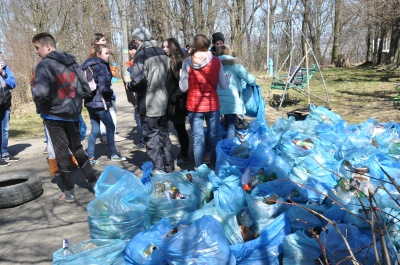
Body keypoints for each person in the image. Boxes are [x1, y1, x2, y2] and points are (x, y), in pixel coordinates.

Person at [31, 32, 97, 202]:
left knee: (61, 152)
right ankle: (93, 182)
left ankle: (69, 192)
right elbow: (86, 90)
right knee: (77, 148)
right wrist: (73, 102)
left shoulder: (44, 66)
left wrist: (41, 106)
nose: (37, 52)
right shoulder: (73, 64)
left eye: (37, 48)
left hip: (53, 115)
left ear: (47, 46)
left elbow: (40, 93)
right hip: (72, 114)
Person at [126, 26, 175, 174]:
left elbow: (139, 80)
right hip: (163, 101)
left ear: (138, 40)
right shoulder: (162, 52)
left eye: (135, 40)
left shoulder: (141, 55)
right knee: (164, 134)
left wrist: (129, 85)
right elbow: (169, 76)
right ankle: (169, 166)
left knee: (151, 137)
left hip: (148, 103)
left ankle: (158, 170)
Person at [179, 34, 230, 168]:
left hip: (194, 106)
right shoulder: (216, 61)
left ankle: (199, 168)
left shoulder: (187, 62)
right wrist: (228, 78)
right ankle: (213, 166)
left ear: (195, 45)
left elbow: (183, 88)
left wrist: (182, 77)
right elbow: (224, 86)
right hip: (212, 104)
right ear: (208, 45)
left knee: (198, 139)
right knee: (214, 137)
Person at [81, 44, 126, 165]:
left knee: (94, 130)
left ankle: (90, 157)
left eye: (108, 53)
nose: (108, 56)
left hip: (90, 102)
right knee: (110, 127)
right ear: (98, 54)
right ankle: (114, 154)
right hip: (100, 103)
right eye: (106, 53)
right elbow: (104, 87)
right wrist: (110, 93)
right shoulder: (101, 66)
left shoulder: (86, 65)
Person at [88, 33, 125, 144]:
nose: (105, 42)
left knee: (106, 115)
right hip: (100, 95)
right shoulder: (98, 60)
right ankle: (109, 136)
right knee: (109, 112)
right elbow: (100, 79)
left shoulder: (99, 57)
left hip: (101, 93)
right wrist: (108, 92)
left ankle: (106, 136)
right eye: (103, 40)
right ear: (96, 42)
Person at [216, 45, 256, 140]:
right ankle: (228, 147)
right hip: (232, 101)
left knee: (215, 127)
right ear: (230, 53)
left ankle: (215, 148)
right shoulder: (236, 67)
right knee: (230, 126)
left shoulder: (214, 66)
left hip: (216, 101)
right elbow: (251, 79)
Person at [162, 38, 190, 164]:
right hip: (164, 101)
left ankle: (184, 154)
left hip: (177, 103)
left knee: (180, 129)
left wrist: (176, 96)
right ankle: (166, 155)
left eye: (167, 47)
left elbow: (184, 84)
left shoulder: (180, 62)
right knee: (163, 129)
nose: (165, 49)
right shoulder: (163, 61)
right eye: (163, 47)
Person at [0, 53, 19, 167]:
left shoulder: (4, 67)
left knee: (5, 130)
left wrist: (3, 73)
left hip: (5, 104)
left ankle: (5, 153)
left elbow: (12, 84)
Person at [126, 40, 145, 148]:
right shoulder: (138, 60)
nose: (129, 52)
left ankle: (143, 141)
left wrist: (129, 85)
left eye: (131, 49)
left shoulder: (139, 60)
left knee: (139, 116)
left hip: (141, 93)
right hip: (141, 93)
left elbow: (137, 79)